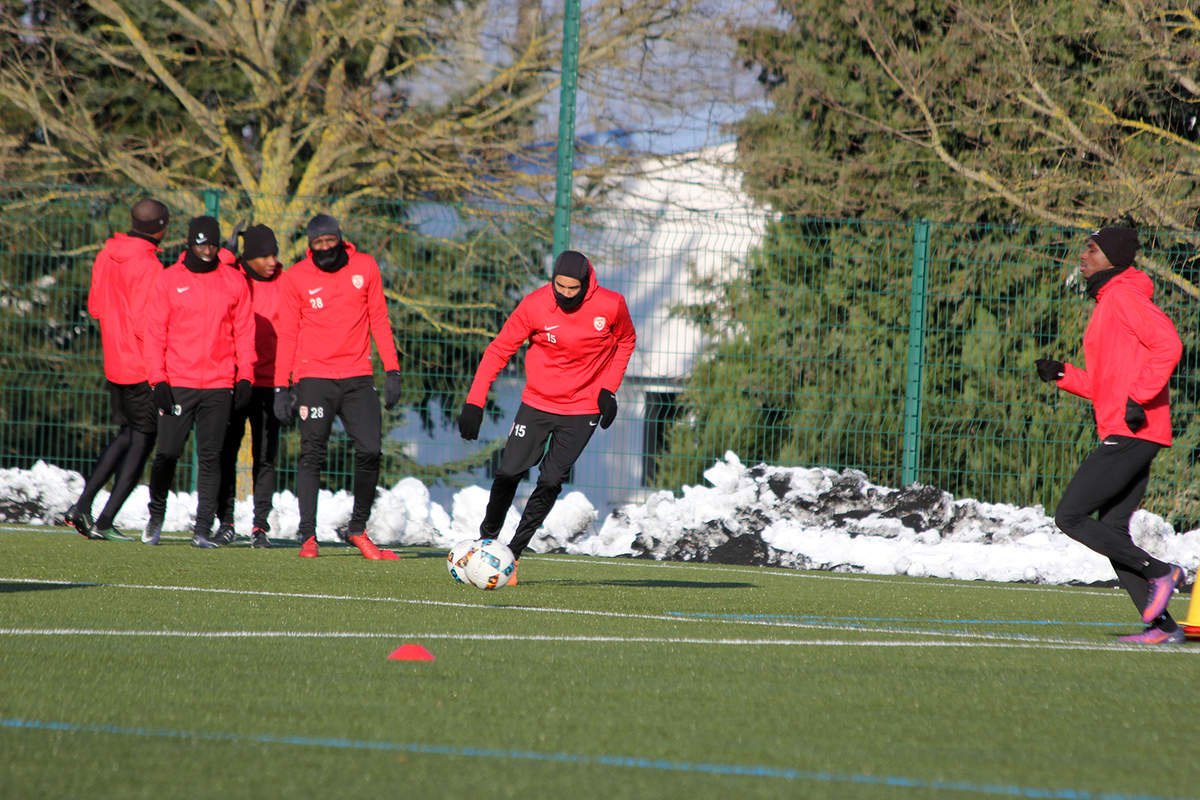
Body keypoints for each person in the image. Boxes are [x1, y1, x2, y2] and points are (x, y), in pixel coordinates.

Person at [1036, 225, 1186, 644]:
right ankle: (1162, 628)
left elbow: (1168, 344)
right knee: (1114, 531)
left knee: (1070, 516)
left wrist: (1140, 397)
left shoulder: (1122, 296)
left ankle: (1163, 572)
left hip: (1133, 429)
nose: (1083, 256)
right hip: (1134, 427)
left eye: (1092, 249)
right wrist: (1064, 374)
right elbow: (1107, 383)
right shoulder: (1110, 300)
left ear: (1113, 257)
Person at [456, 250, 636, 584]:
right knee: (509, 470)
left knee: (551, 480)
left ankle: (514, 554)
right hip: (537, 403)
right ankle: (485, 540)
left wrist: (608, 389)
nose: (566, 295)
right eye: (560, 287)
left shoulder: (611, 305)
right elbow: (499, 349)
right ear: (552, 280)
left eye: (573, 289)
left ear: (586, 284)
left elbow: (626, 341)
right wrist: (474, 401)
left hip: (582, 409)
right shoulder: (535, 305)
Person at [273, 214, 403, 559]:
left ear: (341, 240)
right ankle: (307, 536)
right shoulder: (296, 277)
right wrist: (280, 387)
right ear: (310, 246)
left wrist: (392, 371)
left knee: (371, 449)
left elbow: (379, 318)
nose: (326, 248)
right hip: (313, 377)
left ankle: (358, 530)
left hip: (358, 377)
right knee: (312, 452)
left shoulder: (365, 267)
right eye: (319, 244)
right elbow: (287, 333)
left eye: (331, 242)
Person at [142, 215, 255, 548]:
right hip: (178, 382)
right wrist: (158, 380)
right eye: (201, 243)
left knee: (211, 457)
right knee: (168, 452)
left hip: (219, 383)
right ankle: (156, 515)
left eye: (212, 244)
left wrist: (245, 375)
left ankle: (202, 529)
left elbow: (245, 332)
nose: (207, 250)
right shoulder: (168, 280)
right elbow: (154, 333)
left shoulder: (234, 282)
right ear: (190, 243)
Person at [64, 199, 169, 541]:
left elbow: (95, 306)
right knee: (143, 439)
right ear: (162, 227)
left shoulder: (106, 253)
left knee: (126, 433)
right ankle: (105, 520)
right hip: (141, 365)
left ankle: (81, 506)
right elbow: (146, 324)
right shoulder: (151, 265)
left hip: (114, 362)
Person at [213, 225, 283, 549]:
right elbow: (200, 266)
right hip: (236, 378)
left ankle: (260, 526)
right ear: (248, 257)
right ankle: (225, 522)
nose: (272, 261)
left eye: (274, 253)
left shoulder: (286, 281)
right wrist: (227, 253)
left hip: (270, 381)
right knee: (227, 451)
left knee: (265, 456)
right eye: (264, 255)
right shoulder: (230, 275)